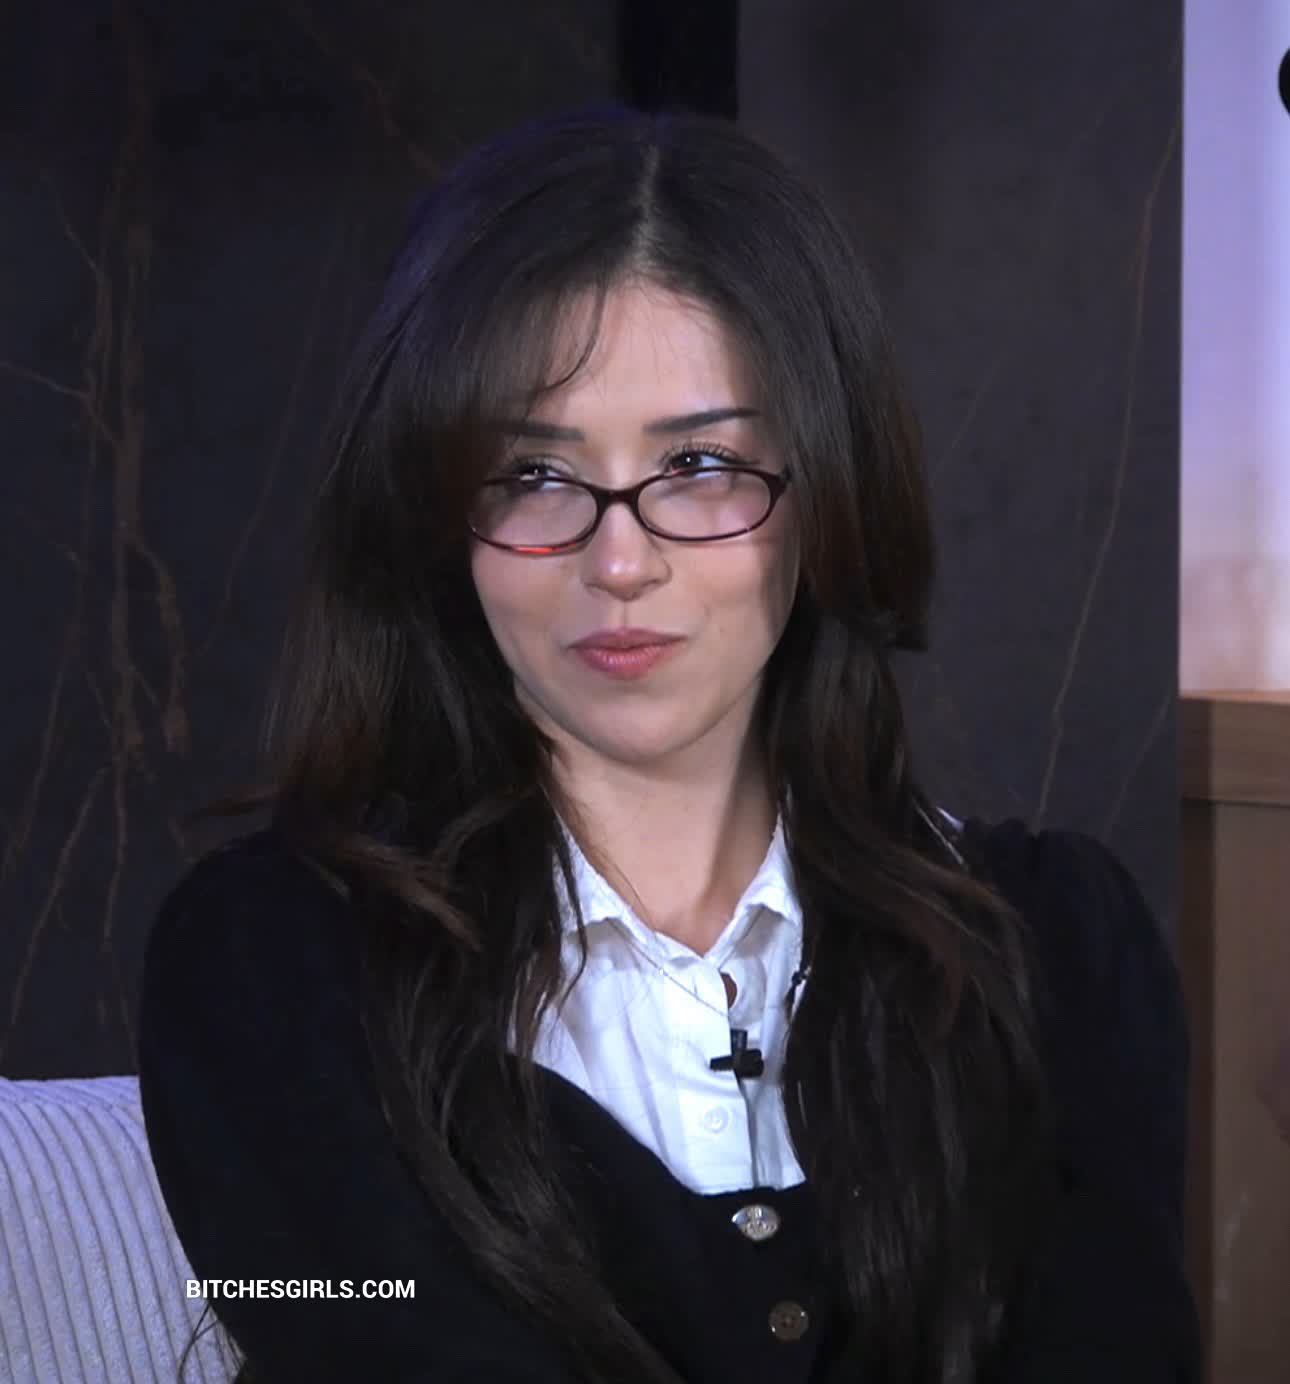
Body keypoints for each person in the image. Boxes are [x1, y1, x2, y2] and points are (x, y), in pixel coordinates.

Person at [136, 104, 1202, 1384]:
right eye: (534, 476)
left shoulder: (1058, 953)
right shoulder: (268, 968)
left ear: (829, 492)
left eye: (699, 463)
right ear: (435, 516)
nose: (620, 559)